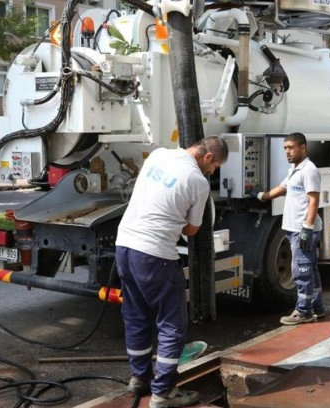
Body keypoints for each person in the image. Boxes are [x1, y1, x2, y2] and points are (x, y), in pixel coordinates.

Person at [115, 136, 228, 408]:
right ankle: (163, 393)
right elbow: (191, 230)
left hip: (125, 246)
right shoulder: (198, 181)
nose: (212, 173)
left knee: (136, 315)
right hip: (155, 255)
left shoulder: (158, 155)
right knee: (172, 324)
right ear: (208, 157)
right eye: (215, 167)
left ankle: (139, 378)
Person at [256, 132, 325, 325]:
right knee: (311, 269)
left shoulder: (309, 170)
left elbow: (314, 200)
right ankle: (318, 308)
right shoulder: (294, 169)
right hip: (294, 228)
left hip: (302, 230)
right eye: (285, 148)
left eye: (291, 147)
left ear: (303, 148)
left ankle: (303, 311)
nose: (287, 151)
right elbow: (283, 188)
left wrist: (307, 228)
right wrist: (262, 195)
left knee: (301, 270)